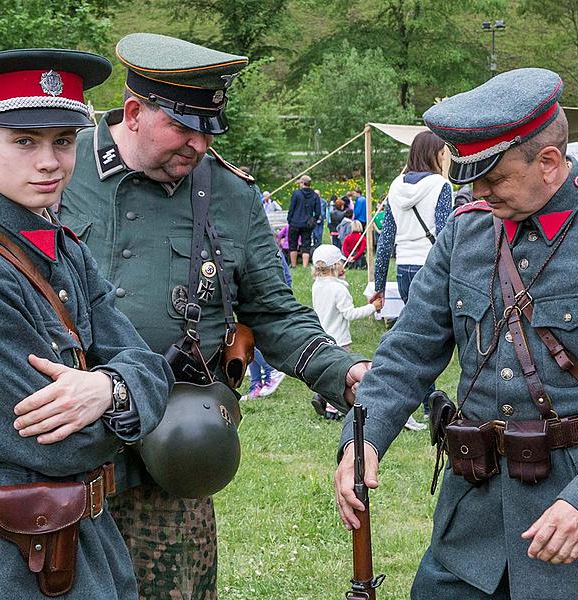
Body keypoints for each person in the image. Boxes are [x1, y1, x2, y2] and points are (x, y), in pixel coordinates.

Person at [333, 68, 578, 599]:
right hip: (470, 533)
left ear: (549, 163)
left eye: (494, 177)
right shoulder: (466, 231)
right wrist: (360, 442)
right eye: (471, 177)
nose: (477, 192)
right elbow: (407, 354)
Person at [58, 32, 370, 599]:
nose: (199, 145)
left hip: (170, 455)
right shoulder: (58, 164)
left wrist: (340, 369)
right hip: (59, 449)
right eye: (183, 127)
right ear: (133, 112)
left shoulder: (229, 194)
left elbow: (273, 311)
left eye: (209, 130)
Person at [0, 49, 173, 600]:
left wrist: (107, 388)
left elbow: (150, 368)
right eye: (25, 140)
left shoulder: (62, 248)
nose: (49, 161)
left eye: (63, 142)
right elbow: (56, 447)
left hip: (85, 542)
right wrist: (128, 399)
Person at [371, 130, 453, 418]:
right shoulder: (440, 186)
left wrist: (380, 284)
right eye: (443, 152)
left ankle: (427, 399)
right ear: (434, 154)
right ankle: (432, 403)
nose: (446, 157)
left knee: (420, 333)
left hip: (404, 267)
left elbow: (385, 239)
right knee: (442, 335)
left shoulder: (395, 186)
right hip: (432, 266)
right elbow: (445, 234)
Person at [310, 244, 379, 420]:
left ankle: (322, 397)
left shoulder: (317, 285)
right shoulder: (339, 289)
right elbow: (350, 313)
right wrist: (373, 307)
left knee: (327, 371)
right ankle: (333, 410)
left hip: (323, 336)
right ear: (335, 266)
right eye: (341, 261)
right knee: (340, 375)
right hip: (339, 339)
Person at [287, 174, 319, 267]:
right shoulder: (315, 195)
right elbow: (318, 212)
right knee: (306, 244)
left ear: (302, 183)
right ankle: (305, 266)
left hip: (295, 222)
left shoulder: (296, 194)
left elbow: (291, 208)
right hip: (307, 224)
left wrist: (289, 220)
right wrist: (313, 220)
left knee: (293, 244)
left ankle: (293, 265)